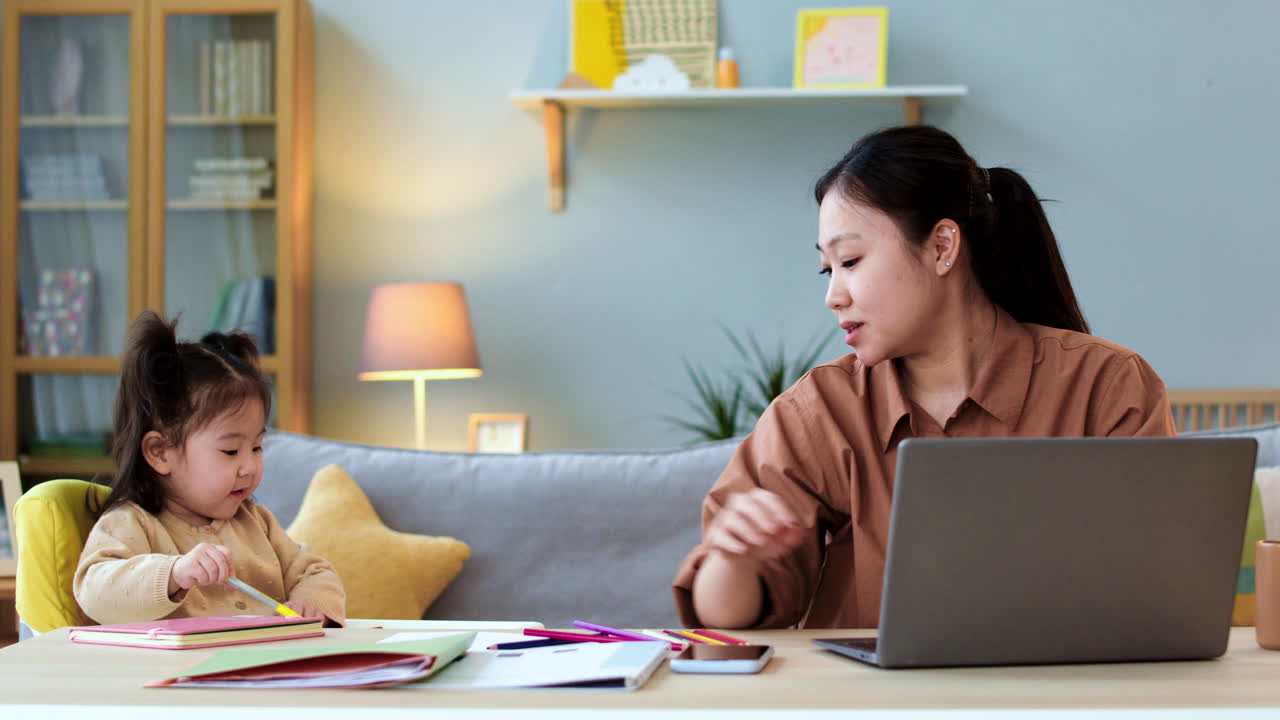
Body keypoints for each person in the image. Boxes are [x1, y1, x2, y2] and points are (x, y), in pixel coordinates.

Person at [672, 125, 1174, 630]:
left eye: (850, 261)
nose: (834, 296)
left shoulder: (1107, 386)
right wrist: (733, 558)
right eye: (829, 270)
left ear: (941, 247)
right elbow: (724, 623)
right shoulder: (819, 411)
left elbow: (1159, 585)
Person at [74, 311, 345, 626]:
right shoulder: (133, 523)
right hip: (181, 673)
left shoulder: (256, 523)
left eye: (257, 447)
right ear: (159, 452)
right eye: (230, 450)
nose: (249, 466)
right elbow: (95, 591)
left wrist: (309, 603)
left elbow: (316, 571)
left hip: (264, 668)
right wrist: (174, 573)